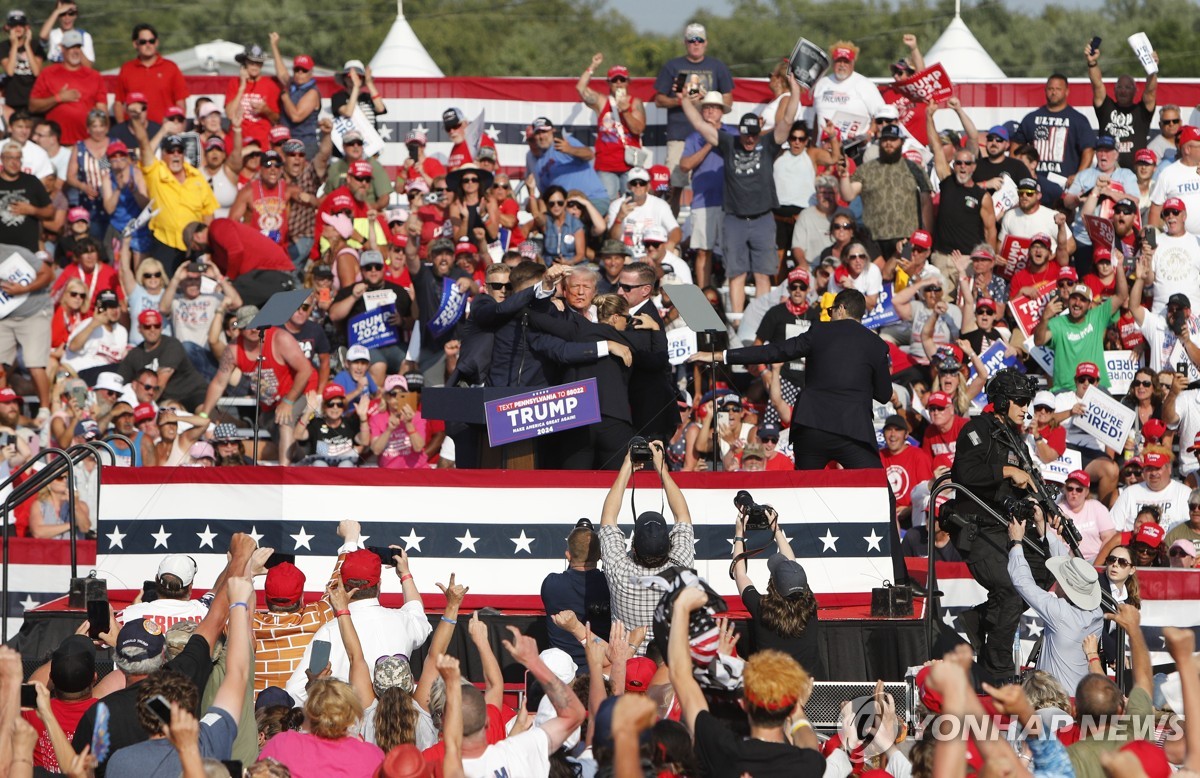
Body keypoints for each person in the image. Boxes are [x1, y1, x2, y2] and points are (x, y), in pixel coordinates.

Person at [693, 289, 889, 470]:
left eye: (831, 311)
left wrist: (722, 355)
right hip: (853, 430)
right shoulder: (876, 345)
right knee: (878, 490)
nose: (829, 317)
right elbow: (884, 394)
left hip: (812, 427)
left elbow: (774, 351)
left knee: (804, 492)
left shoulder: (819, 332)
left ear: (841, 309)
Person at [946, 368, 1043, 683]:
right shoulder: (977, 429)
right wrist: (1004, 471)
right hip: (979, 528)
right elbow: (965, 473)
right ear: (1002, 400)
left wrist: (1041, 505)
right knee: (1013, 589)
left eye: (1027, 401)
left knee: (1047, 572)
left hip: (1010, 529)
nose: (1025, 407)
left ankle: (980, 618)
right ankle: (997, 670)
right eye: (1019, 400)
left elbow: (1027, 481)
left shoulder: (1016, 438)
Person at [104, 574, 253, 777]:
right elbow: (238, 673)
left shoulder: (120, 762)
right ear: (193, 707)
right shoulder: (209, 740)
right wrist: (237, 604)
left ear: (143, 714)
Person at [669, 586, 824, 777]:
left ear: (744, 703)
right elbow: (808, 744)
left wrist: (681, 609)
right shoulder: (807, 764)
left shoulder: (721, 749)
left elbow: (680, 675)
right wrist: (798, 712)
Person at [679, 71, 800, 313]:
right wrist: (684, 100)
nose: (749, 140)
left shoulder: (767, 144)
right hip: (734, 219)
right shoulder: (729, 142)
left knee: (764, 274)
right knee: (736, 273)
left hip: (763, 217)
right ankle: (736, 318)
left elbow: (787, 120)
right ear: (740, 132)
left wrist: (795, 88)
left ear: (758, 133)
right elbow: (700, 125)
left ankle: (761, 320)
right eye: (746, 135)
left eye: (753, 135)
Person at [286, 548, 431, 703]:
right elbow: (417, 613)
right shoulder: (403, 621)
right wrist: (405, 575)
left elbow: (295, 690)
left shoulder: (329, 631)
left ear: (342, 586)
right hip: (398, 722)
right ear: (379, 584)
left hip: (347, 721)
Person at [599, 441, 693, 651]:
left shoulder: (619, 570)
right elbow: (682, 515)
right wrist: (662, 470)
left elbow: (608, 518)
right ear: (669, 546)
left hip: (628, 665)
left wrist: (626, 467)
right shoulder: (681, 567)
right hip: (669, 668)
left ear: (633, 547)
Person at [1008, 516, 1105, 694]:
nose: (1056, 581)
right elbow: (1068, 566)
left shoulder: (1060, 613)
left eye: (1060, 580)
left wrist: (1016, 542)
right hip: (1079, 699)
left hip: (1053, 702)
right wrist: (1042, 526)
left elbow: (1022, 582)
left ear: (1067, 590)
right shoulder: (1097, 614)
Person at [733, 508, 825, 676]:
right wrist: (776, 530)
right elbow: (792, 565)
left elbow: (740, 574)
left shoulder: (761, 607)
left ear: (773, 584)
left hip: (773, 692)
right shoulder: (810, 608)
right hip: (809, 691)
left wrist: (739, 534)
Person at [652, 22, 733, 208]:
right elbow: (659, 100)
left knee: (714, 182)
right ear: (685, 43)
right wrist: (682, 101)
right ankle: (670, 230)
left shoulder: (717, 66)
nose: (696, 44)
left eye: (699, 40)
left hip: (711, 136)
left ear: (706, 43)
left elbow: (728, 101)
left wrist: (708, 100)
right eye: (691, 40)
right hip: (680, 134)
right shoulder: (673, 66)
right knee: (673, 186)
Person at [1035, 274, 1129, 392]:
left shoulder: (1098, 316)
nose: (1077, 303)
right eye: (1074, 298)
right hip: (1065, 390)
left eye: (1083, 300)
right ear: (1068, 300)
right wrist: (1044, 318)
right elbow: (1038, 341)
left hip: (1095, 388)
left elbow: (1122, 295)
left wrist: (1119, 265)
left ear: (1090, 305)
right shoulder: (1057, 323)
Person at [576, 53, 646, 202]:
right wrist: (593, 66)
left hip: (629, 165)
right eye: (615, 80)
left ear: (628, 82)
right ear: (609, 83)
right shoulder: (602, 102)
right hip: (606, 165)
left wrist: (625, 111)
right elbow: (580, 88)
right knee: (606, 204)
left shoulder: (635, 103)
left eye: (622, 80)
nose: (619, 83)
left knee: (632, 203)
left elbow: (638, 130)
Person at [541, 521, 611, 666]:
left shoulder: (551, 584)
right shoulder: (610, 584)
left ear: (568, 555)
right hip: (601, 666)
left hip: (562, 671)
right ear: (599, 556)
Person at [1011, 73, 1097, 185]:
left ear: (1066, 91)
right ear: (1045, 90)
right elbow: (1016, 145)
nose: (1054, 92)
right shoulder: (1031, 118)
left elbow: (1088, 151)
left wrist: (1079, 176)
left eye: (1058, 89)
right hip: (1033, 182)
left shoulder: (1078, 120)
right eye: (1050, 89)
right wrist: (1016, 171)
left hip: (1065, 184)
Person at [1086, 38, 1156, 168]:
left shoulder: (1142, 111)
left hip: (1135, 177)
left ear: (1135, 91)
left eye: (1128, 87)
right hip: (1106, 175)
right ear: (1114, 89)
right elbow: (1097, 85)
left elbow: (1150, 92)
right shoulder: (1106, 107)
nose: (1123, 91)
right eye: (1120, 87)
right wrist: (1092, 63)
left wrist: (1152, 69)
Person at [114, 24, 186, 123]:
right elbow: (119, 103)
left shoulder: (171, 68)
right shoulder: (126, 69)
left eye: (151, 41)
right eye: (143, 42)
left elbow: (180, 102)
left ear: (156, 42)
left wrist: (178, 127)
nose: (148, 45)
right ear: (135, 44)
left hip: (165, 131)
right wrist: (122, 130)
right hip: (135, 132)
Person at [1057, 470, 1116, 562]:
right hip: (1066, 560)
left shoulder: (1096, 507)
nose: (1074, 492)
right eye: (1070, 488)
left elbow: (1109, 537)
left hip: (1095, 559)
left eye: (1079, 489)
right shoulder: (1058, 510)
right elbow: (1054, 540)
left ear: (1086, 492)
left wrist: (1099, 562)